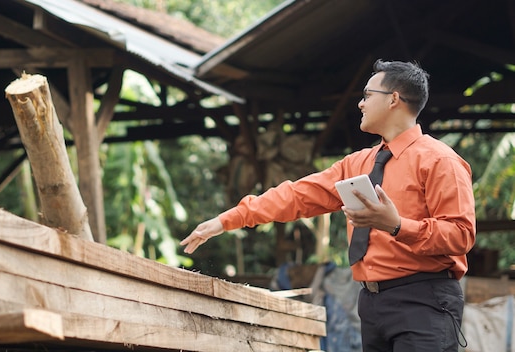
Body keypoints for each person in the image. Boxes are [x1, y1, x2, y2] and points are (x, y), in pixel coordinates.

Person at [180, 59, 475, 352]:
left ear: (394, 100)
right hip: (371, 302)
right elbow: (297, 196)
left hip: (424, 300)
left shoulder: (440, 161)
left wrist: (396, 226)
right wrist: (228, 219)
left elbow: (461, 234)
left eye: (367, 95)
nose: (360, 104)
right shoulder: (358, 163)